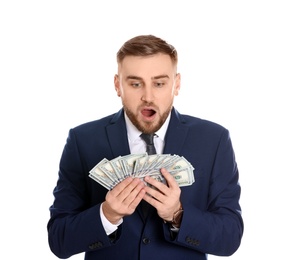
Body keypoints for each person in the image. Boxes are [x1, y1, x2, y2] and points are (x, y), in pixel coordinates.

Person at [47, 35, 244, 260]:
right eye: (135, 83)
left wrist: (177, 214)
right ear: (117, 85)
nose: (147, 97)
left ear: (176, 84)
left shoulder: (213, 139)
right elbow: (58, 240)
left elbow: (230, 238)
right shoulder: (83, 140)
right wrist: (107, 215)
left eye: (159, 83)